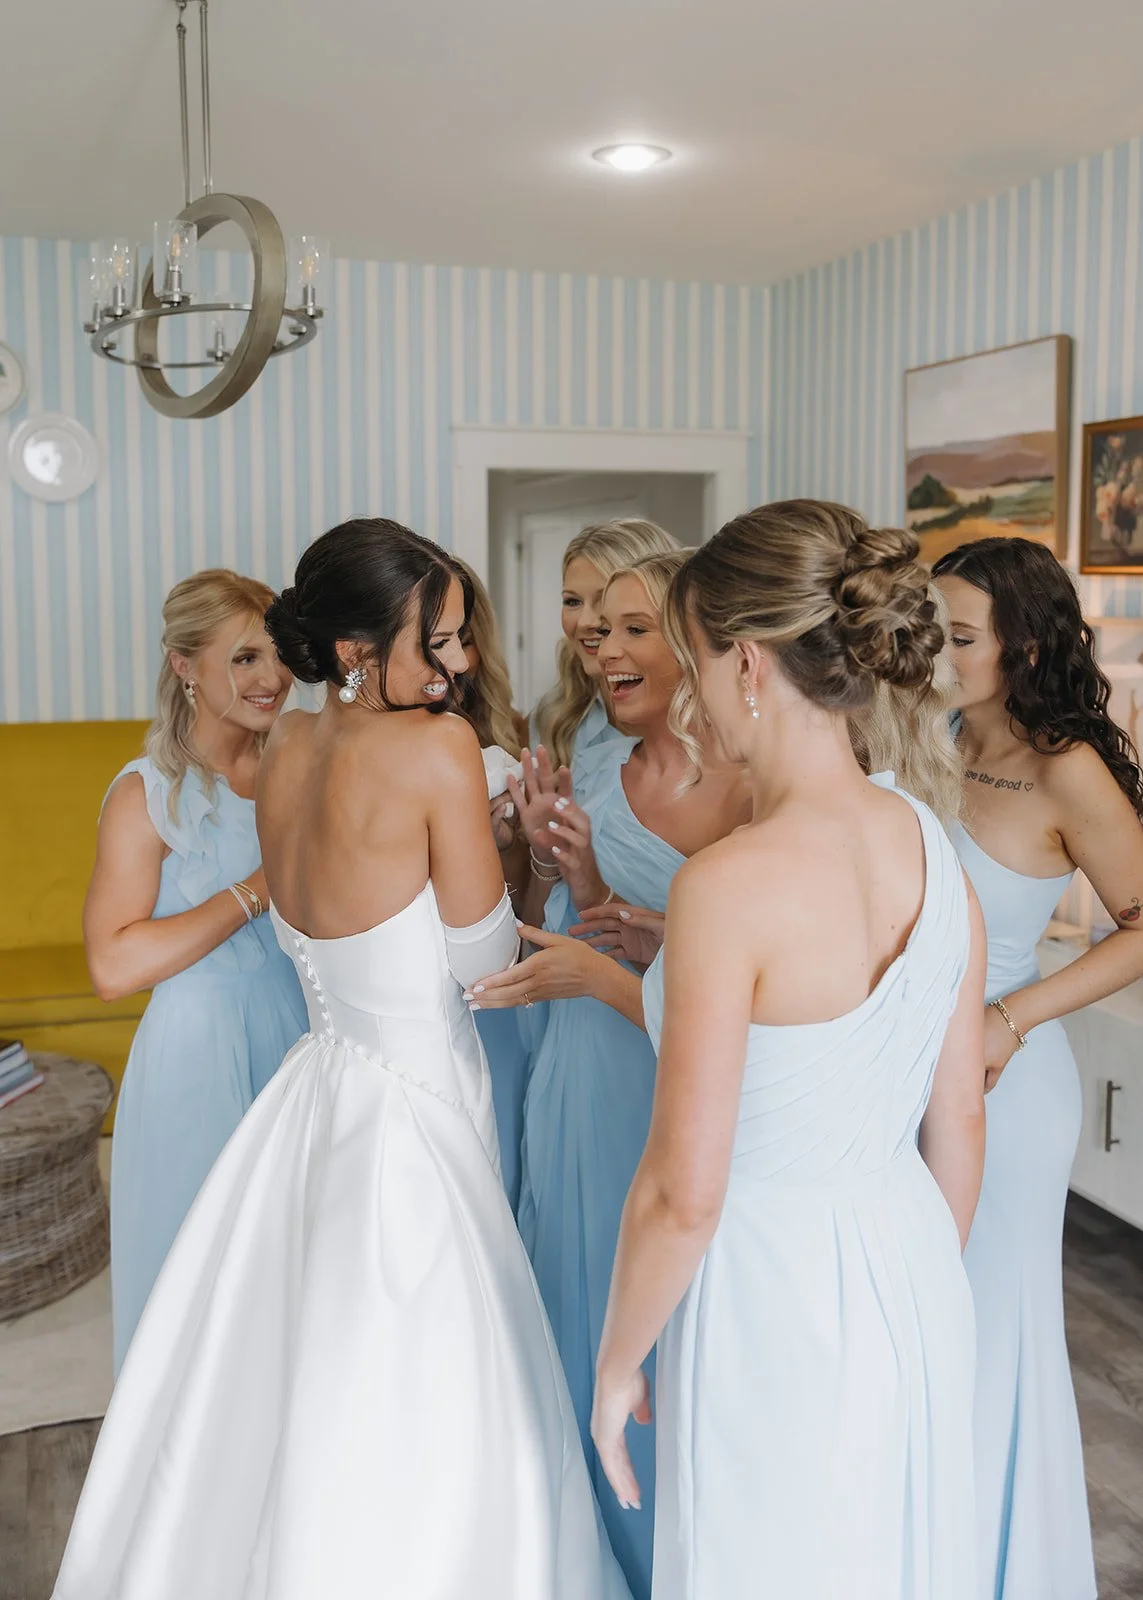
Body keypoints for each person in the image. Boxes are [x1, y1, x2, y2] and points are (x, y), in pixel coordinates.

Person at [53, 520, 629, 1600]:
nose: (460, 665)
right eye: (441, 642)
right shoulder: (435, 752)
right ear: (359, 649)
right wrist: (520, 848)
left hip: (317, 1084)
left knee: (287, 1356)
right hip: (414, 1108)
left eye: (460, 640)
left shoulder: (285, 753)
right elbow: (484, 961)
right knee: (423, 1372)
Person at [590, 501, 987, 1600]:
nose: (688, 692)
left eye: (694, 662)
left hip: (770, 1286)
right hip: (912, 1261)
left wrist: (619, 1360)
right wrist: (917, 1287)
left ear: (750, 665)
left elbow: (683, 1191)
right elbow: (958, 1120)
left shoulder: (728, 884)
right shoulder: (932, 850)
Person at [476, 550, 751, 1599]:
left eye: (637, 629)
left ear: (693, 643)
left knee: (685, 1330)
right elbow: (570, 928)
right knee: (582, 1292)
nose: (607, 650)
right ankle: (587, 1552)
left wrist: (643, 937)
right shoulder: (601, 763)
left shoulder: (748, 780)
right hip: (589, 1064)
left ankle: (684, 1554)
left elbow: (763, 956)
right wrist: (563, 865)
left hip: (688, 1073)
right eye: (598, 633)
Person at [933, 536, 1143, 1600]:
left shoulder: (1069, 768)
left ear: (1021, 646)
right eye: (935, 627)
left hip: (1004, 1084)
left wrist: (1014, 1015)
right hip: (895, 1077)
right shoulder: (919, 738)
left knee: (985, 1327)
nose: (938, 651)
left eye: (960, 635)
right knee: (916, 1324)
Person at [84, 569, 306, 1372]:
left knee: (294, 1271)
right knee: (200, 1277)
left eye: (279, 655)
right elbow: (113, 963)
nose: (271, 678)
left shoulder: (297, 765)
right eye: (245, 658)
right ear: (185, 666)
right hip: (197, 1054)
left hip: (298, 1032)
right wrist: (254, 892)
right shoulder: (148, 794)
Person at [453, 556, 532, 1208]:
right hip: (390, 999)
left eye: (460, 636)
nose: (446, 658)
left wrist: (502, 845)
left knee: (489, 1184)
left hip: (485, 999)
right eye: (427, 638)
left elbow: (514, 909)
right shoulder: (345, 752)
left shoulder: (499, 758)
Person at [532, 519, 677, 779]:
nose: (586, 621)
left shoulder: (717, 729)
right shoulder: (552, 719)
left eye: (604, 600)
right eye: (572, 601)